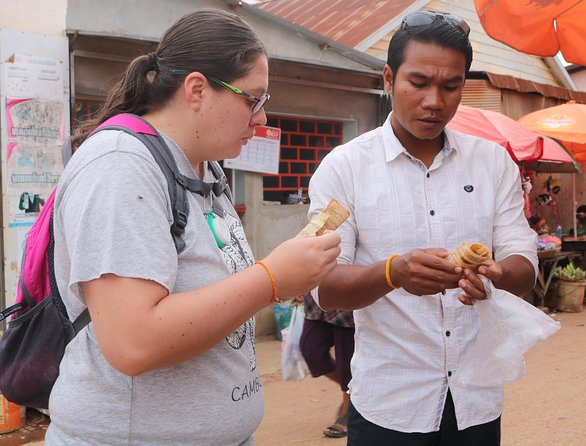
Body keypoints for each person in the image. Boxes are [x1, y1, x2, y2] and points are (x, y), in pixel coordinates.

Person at [45, 9, 341, 445]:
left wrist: (282, 272)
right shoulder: (121, 167)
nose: (261, 119)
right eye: (252, 99)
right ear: (197, 90)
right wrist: (272, 278)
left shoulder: (206, 171)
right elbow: (133, 342)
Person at [306, 10, 537, 445]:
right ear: (390, 79)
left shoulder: (492, 164)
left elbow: (523, 262)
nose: (436, 101)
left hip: (475, 401)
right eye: (419, 83)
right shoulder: (345, 168)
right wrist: (392, 273)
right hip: (389, 405)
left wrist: (498, 276)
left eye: (451, 87)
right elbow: (325, 286)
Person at [298, 292, 355, 438]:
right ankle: (355, 393)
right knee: (311, 350)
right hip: (317, 294)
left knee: (347, 361)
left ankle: (347, 408)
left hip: (348, 295)